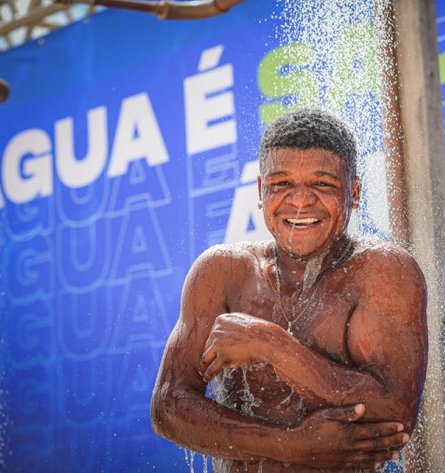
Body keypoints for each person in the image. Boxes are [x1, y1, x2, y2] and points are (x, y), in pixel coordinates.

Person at [151, 108, 428, 472]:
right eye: (282, 184)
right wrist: (291, 445)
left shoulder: (382, 272)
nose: (300, 201)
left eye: (323, 184)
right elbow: (168, 407)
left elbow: (394, 413)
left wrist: (272, 345)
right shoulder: (222, 272)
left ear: (354, 192)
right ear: (262, 191)